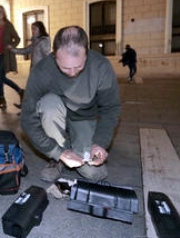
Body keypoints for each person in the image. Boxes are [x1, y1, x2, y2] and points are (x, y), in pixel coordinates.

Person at [20, 26, 121, 182]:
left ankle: (73, 144)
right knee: (49, 104)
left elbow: (111, 108)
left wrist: (100, 142)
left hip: (83, 117)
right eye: (65, 67)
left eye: (79, 66)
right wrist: (57, 152)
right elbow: (27, 117)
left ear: (87, 54)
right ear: (54, 56)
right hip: (54, 113)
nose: (72, 73)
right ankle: (57, 158)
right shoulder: (41, 70)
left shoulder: (101, 66)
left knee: (95, 173)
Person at [9, 21, 51, 108]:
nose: (32, 31)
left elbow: (47, 56)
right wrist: (13, 49)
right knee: (30, 90)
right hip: (34, 70)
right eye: (32, 29)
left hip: (40, 72)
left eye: (34, 29)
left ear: (40, 29)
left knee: (36, 91)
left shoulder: (43, 41)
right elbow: (25, 51)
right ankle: (26, 107)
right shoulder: (35, 42)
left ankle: (33, 108)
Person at [0, 5, 24, 109]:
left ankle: (20, 91)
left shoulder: (8, 25)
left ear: (4, 13)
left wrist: (12, 46)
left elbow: (17, 39)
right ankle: (2, 100)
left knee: (1, 77)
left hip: (5, 56)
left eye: (1, 11)